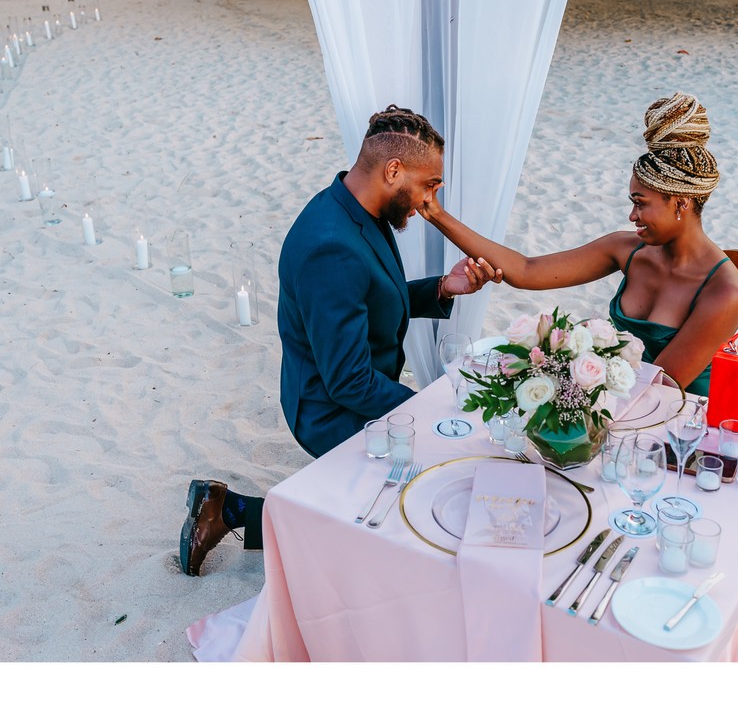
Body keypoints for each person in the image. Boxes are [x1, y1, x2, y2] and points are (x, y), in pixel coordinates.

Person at [179, 105, 500, 576]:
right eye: (429, 184)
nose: (431, 199)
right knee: (385, 512)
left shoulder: (355, 206)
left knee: (358, 511)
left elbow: (372, 297)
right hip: (328, 407)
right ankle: (228, 511)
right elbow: (349, 381)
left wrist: (440, 288)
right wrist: (430, 409)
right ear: (393, 170)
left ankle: (224, 508)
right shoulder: (331, 245)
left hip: (349, 385)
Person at [418, 92, 738, 396]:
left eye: (640, 203)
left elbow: (660, 385)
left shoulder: (725, 292)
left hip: (680, 424)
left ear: (680, 204)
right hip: (616, 399)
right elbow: (526, 271)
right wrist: (435, 214)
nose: (632, 215)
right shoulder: (626, 249)